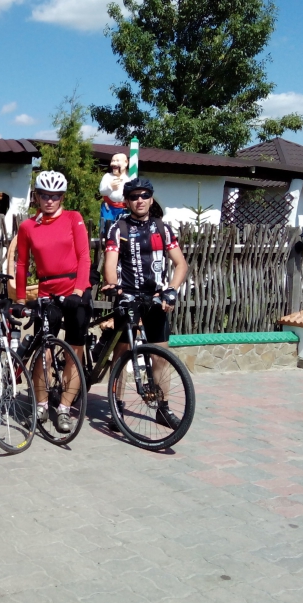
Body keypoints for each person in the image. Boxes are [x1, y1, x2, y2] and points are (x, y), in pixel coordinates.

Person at [102, 177, 188, 427]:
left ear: (151, 199)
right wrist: (115, 287)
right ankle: (116, 406)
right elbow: (110, 264)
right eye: (134, 197)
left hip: (156, 299)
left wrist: (171, 290)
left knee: (160, 355)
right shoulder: (118, 228)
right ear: (127, 201)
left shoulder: (162, 228)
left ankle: (163, 408)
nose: (139, 200)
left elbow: (181, 264)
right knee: (122, 354)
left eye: (144, 196)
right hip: (127, 297)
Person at [14, 170, 90, 434]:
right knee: (43, 350)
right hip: (48, 292)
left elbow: (84, 256)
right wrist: (20, 299)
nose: (49, 200)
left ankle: (65, 408)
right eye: (44, 195)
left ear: (62, 197)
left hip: (75, 289)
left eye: (55, 196)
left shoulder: (73, 218)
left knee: (74, 351)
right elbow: (22, 263)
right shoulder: (28, 226)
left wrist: (78, 291)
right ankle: (41, 405)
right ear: (36, 196)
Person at [99, 153, 132, 233]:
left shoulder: (128, 180)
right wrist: (110, 186)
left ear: (126, 163)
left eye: (117, 161)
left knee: (121, 229)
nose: (113, 163)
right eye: (112, 161)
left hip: (123, 209)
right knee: (106, 228)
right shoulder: (107, 176)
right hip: (108, 208)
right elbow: (101, 191)